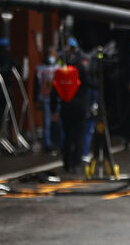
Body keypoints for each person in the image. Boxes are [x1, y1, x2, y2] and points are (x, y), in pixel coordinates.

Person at [56, 44, 94, 173]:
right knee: (79, 136)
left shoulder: (62, 67)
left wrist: (53, 109)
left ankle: (67, 163)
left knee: (68, 136)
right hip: (79, 107)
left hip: (66, 106)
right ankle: (76, 162)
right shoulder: (80, 66)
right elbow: (88, 82)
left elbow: (55, 88)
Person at [35, 47, 60, 153]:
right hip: (46, 98)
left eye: (52, 54)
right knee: (47, 123)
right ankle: (48, 144)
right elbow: (36, 85)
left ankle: (59, 143)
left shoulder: (59, 68)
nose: (51, 57)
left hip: (57, 98)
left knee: (58, 121)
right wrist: (36, 98)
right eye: (49, 54)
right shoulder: (40, 69)